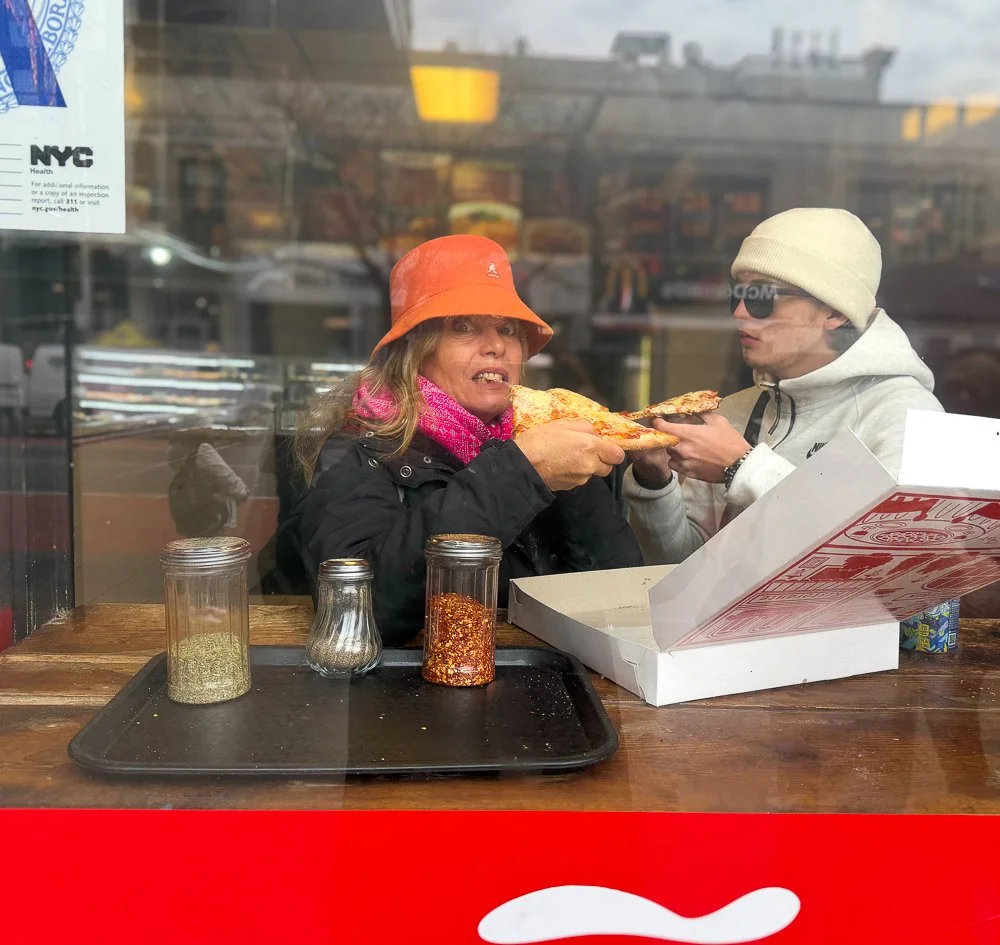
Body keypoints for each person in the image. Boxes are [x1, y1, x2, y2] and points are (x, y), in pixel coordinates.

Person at [291, 234, 642, 643]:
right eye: (464, 327)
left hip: (538, 688)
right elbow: (361, 612)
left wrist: (570, 477)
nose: (495, 346)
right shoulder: (359, 449)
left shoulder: (539, 439)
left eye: (508, 329)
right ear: (416, 350)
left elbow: (623, 594)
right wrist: (522, 472)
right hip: (413, 697)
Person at [626, 207, 944, 564]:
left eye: (762, 297)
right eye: (737, 294)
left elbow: (897, 557)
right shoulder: (733, 413)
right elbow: (687, 567)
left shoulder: (906, 416)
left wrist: (741, 467)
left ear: (834, 312)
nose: (740, 312)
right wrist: (654, 481)